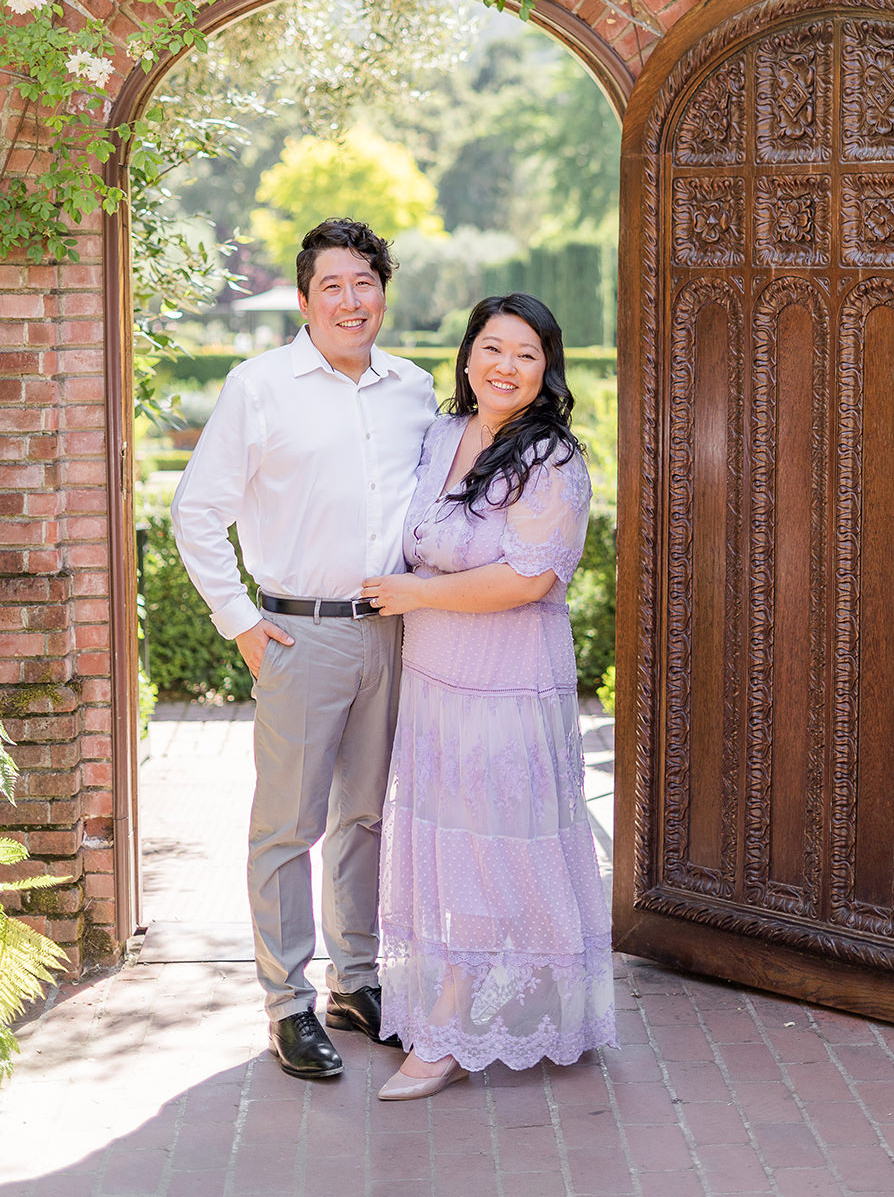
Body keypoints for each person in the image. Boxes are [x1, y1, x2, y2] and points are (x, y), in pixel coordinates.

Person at [170, 217, 437, 1080]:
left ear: (383, 291)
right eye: (334, 285)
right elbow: (196, 512)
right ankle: (287, 1004)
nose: (352, 300)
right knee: (288, 827)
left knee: (368, 814)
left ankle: (355, 983)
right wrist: (240, 620)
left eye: (366, 282)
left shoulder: (414, 388)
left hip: (392, 630)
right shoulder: (260, 386)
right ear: (304, 297)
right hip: (299, 633)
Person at [362, 293, 617, 1101]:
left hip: (507, 679)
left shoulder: (552, 461)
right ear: (468, 355)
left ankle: (446, 1031)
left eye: (527, 355)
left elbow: (529, 577)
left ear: (547, 374)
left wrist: (418, 595)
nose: (506, 366)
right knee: (449, 833)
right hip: (434, 677)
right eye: (493, 348)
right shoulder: (441, 434)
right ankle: (462, 1001)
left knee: (487, 837)